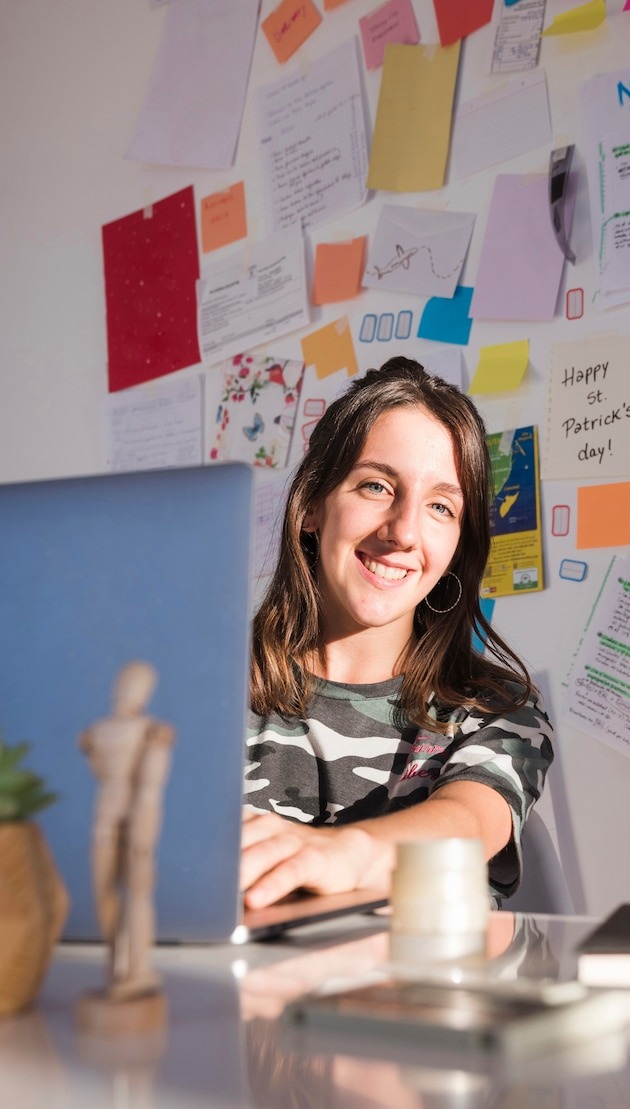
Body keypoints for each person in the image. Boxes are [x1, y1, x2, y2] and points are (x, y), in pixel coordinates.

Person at [242, 357, 553, 910]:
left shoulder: (496, 711)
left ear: (458, 545)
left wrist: (341, 853)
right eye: (376, 486)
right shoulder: (202, 689)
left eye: (441, 506)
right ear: (312, 506)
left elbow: (468, 823)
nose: (404, 531)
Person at [79, 660, 175, 998]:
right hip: (104, 817)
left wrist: (143, 833)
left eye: (137, 684)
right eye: (125, 682)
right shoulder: (97, 731)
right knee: (103, 890)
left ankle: (138, 969)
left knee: (137, 893)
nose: (128, 691)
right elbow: (100, 773)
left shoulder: (151, 731)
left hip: (137, 819)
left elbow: (150, 787)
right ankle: (117, 962)